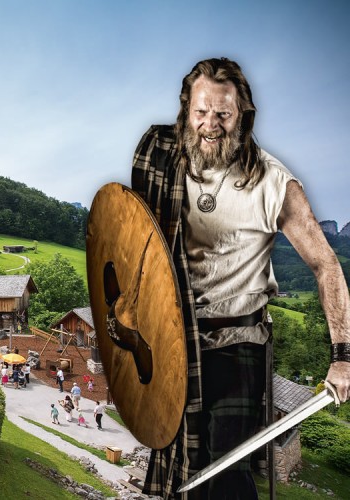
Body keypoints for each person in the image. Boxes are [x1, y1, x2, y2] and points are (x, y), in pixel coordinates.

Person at [131, 57, 350, 499]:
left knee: (226, 471)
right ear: (185, 111)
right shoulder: (162, 154)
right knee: (184, 468)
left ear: (243, 116)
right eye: (201, 112)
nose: (210, 125)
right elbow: (134, 240)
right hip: (174, 338)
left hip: (239, 343)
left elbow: (326, 265)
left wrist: (343, 355)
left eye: (223, 115)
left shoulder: (273, 183)